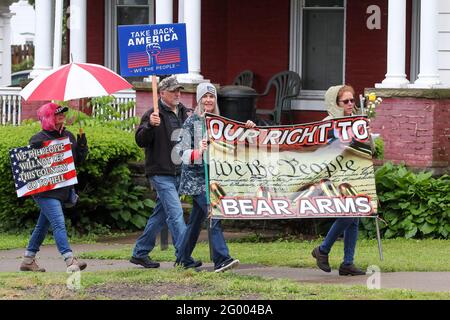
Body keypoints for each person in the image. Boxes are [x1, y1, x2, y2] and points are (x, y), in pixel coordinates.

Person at [175, 82, 256, 272]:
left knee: (195, 222)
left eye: (211, 96)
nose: (208, 100)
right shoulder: (191, 122)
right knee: (214, 214)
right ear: (199, 99)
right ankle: (222, 259)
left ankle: (183, 258)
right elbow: (180, 152)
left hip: (213, 178)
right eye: (205, 96)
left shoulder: (219, 123)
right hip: (195, 180)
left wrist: (248, 128)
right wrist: (198, 151)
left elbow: (235, 143)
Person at [130, 75, 199, 269]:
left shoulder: (185, 113)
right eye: (173, 91)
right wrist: (150, 126)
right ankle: (184, 256)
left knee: (160, 215)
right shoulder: (153, 114)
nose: (178, 94)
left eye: (179, 90)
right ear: (162, 93)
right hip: (160, 172)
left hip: (180, 171)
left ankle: (140, 252)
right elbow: (140, 140)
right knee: (175, 213)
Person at [20, 103, 88, 272]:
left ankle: (28, 260)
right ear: (48, 117)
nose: (62, 115)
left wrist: (81, 148)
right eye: (57, 113)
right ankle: (70, 260)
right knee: (59, 223)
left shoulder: (69, 135)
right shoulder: (37, 139)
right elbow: (31, 166)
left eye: (63, 112)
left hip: (63, 190)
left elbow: (76, 163)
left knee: (42, 225)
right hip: (44, 191)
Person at [311, 84, 366, 276]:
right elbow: (323, 150)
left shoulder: (356, 121)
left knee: (355, 217)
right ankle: (323, 250)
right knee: (348, 215)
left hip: (352, 174)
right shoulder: (328, 123)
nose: (350, 104)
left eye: (352, 100)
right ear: (335, 103)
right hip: (333, 176)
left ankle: (347, 263)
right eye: (346, 101)